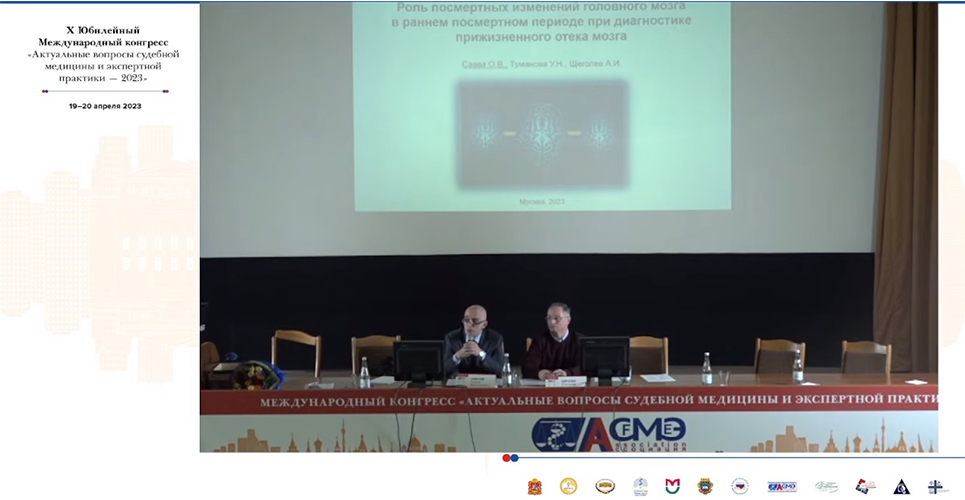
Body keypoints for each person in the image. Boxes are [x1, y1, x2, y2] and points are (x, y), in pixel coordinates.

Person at [522, 302, 584, 380]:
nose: (551, 322)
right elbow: (527, 367)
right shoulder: (540, 341)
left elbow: (585, 367)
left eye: (556, 318)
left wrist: (566, 373)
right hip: (545, 385)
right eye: (549, 318)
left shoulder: (579, 340)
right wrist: (540, 373)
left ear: (568, 320)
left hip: (573, 384)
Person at [443, 305, 506, 377]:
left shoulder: (495, 339)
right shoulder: (451, 338)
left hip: (486, 382)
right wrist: (457, 356)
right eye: (466, 320)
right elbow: (444, 369)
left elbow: (500, 370)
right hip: (460, 382)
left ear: (484, 324)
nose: (469, 325)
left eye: (475, 321)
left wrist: (481, 354)